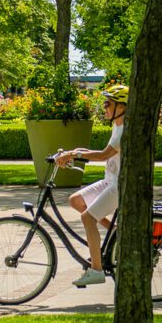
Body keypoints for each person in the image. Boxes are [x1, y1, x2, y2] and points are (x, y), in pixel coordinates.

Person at [56, 83, 128, 288]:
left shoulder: (124, 131)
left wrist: (75, 154)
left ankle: (96, 270)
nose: (104, 108)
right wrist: (74, 150)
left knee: (88, 218)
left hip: (117, 186)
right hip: (109, 180)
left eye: (108, 104)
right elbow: (104, 151)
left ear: (121, 107)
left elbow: (104, 154)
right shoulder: (117, 126)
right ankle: (114, 231)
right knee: (76, 200)